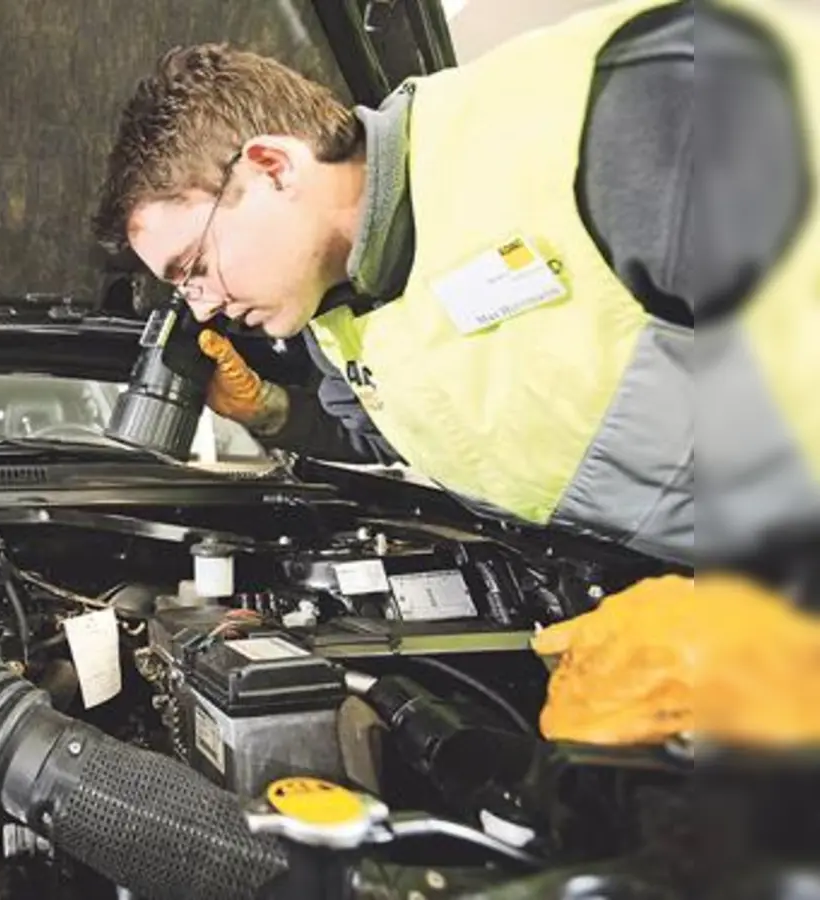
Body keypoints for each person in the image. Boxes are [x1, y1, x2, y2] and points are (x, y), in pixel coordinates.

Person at [92, 0, 815, 567]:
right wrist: (273, 411)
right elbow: (400, 436)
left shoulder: (613, 117)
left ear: (272, 168)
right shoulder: (336, 315)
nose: (203, 306)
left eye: (194, 267)